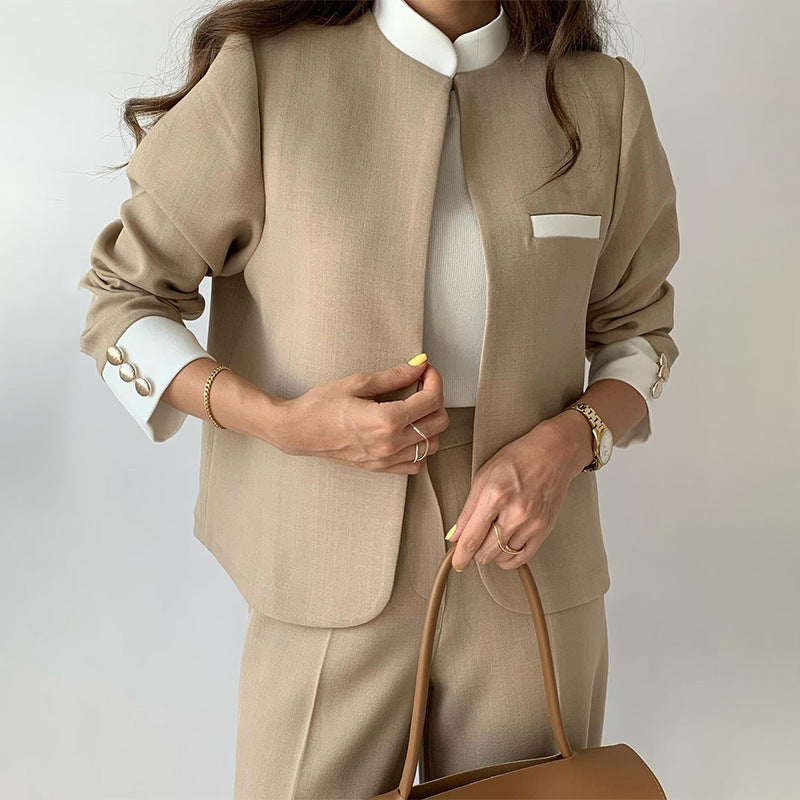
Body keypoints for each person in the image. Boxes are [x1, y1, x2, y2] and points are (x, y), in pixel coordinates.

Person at [76, 0, 680, 797]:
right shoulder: (266, 76)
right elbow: (123, 302)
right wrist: (283, 424)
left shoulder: (600, 98)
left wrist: (568, 443)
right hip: (321, 561)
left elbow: (641, 332)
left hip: (529, 562)